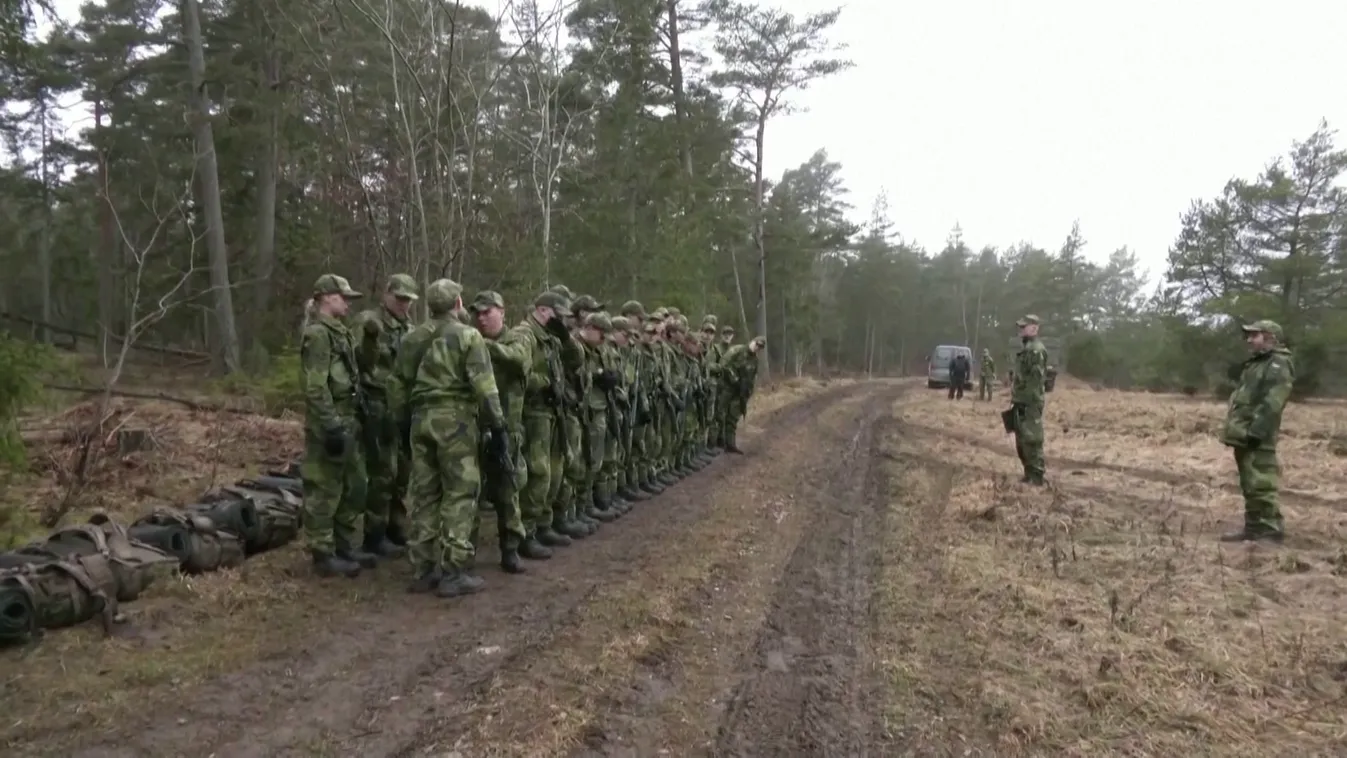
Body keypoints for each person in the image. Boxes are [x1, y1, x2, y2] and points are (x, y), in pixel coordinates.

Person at [406, 278, 508, 598]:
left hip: (420, 418)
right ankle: (454, 570)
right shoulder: (468, 336)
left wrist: (400, 420)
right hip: (455, 420)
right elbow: (484, 386)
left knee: (424, 493)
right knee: (461, 492)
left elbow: (399, 381)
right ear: (458, 304)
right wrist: (498, 425)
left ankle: (423, 569)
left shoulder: (413, 337)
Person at [299, 274, 370, 578]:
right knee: (324, 487)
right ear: (327, 298)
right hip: (330, 422)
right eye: (344, 297)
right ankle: (323, 553)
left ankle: (344, 544)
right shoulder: (317, 334)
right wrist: (330, 426)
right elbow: (315, 386)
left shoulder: (340, 332)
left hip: (348, 417)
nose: (348, 303)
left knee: (355, 485)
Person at [350, 273, 419, 557]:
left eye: (409, 300)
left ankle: (396, 526)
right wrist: (370, 337)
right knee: (382, 472)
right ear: (387, 295)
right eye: (400, 298)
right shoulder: (370, 322)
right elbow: (360, 360)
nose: (404, 305)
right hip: (376, 404)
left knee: (402, 471)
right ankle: (374, 534)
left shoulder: (409, 328)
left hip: (402, 407)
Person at [468, 290, 531, 572]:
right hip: (474, 426)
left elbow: (519, 360)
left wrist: (483, 346)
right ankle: (465, 551)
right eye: (477, 314)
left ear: (502, 312)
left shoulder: (517, 339)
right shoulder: (468, 339)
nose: (482, 319)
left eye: (487, 312)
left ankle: (510, 548)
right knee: (468, 491)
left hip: (507, 426)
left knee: (508, 490)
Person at [515, 290, 582, 550]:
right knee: (537, 472)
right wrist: (545, 384)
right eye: (558, 315)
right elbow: (518, 371)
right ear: (543, 310)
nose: (562, 321)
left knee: (555, 471)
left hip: (552, 412)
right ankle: (525, 532)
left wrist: (566, 338)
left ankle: (544, 523)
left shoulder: (552, 337)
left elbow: (575, 361)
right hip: (533, 412)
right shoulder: (525, 334)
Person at [1220, 320, 1294, 543]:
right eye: (1248, 336)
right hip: (1244, 433)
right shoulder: (1257, 363)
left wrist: (1256, 431)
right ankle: (1253, 528)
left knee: (1261, 483)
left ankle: (1270, 529)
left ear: (1270, 337)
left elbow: (1273, 402)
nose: (1249, 340)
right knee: (1249, 484)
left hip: (1257, 435)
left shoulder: (1278, 363)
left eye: (1255, 335)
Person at [1007, 315, 1049, 485]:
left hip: (1029, 402)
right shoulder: (1028, 348)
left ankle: (1036, 476)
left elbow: (1035, 380)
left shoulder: (1036, 350)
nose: (1020, 330)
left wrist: (1024, 400)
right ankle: (1029, 474)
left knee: (1032, 439)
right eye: (1020, 327)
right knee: (1022, 439)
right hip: (1022, 400)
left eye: (1024, 327)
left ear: (1034, 328)